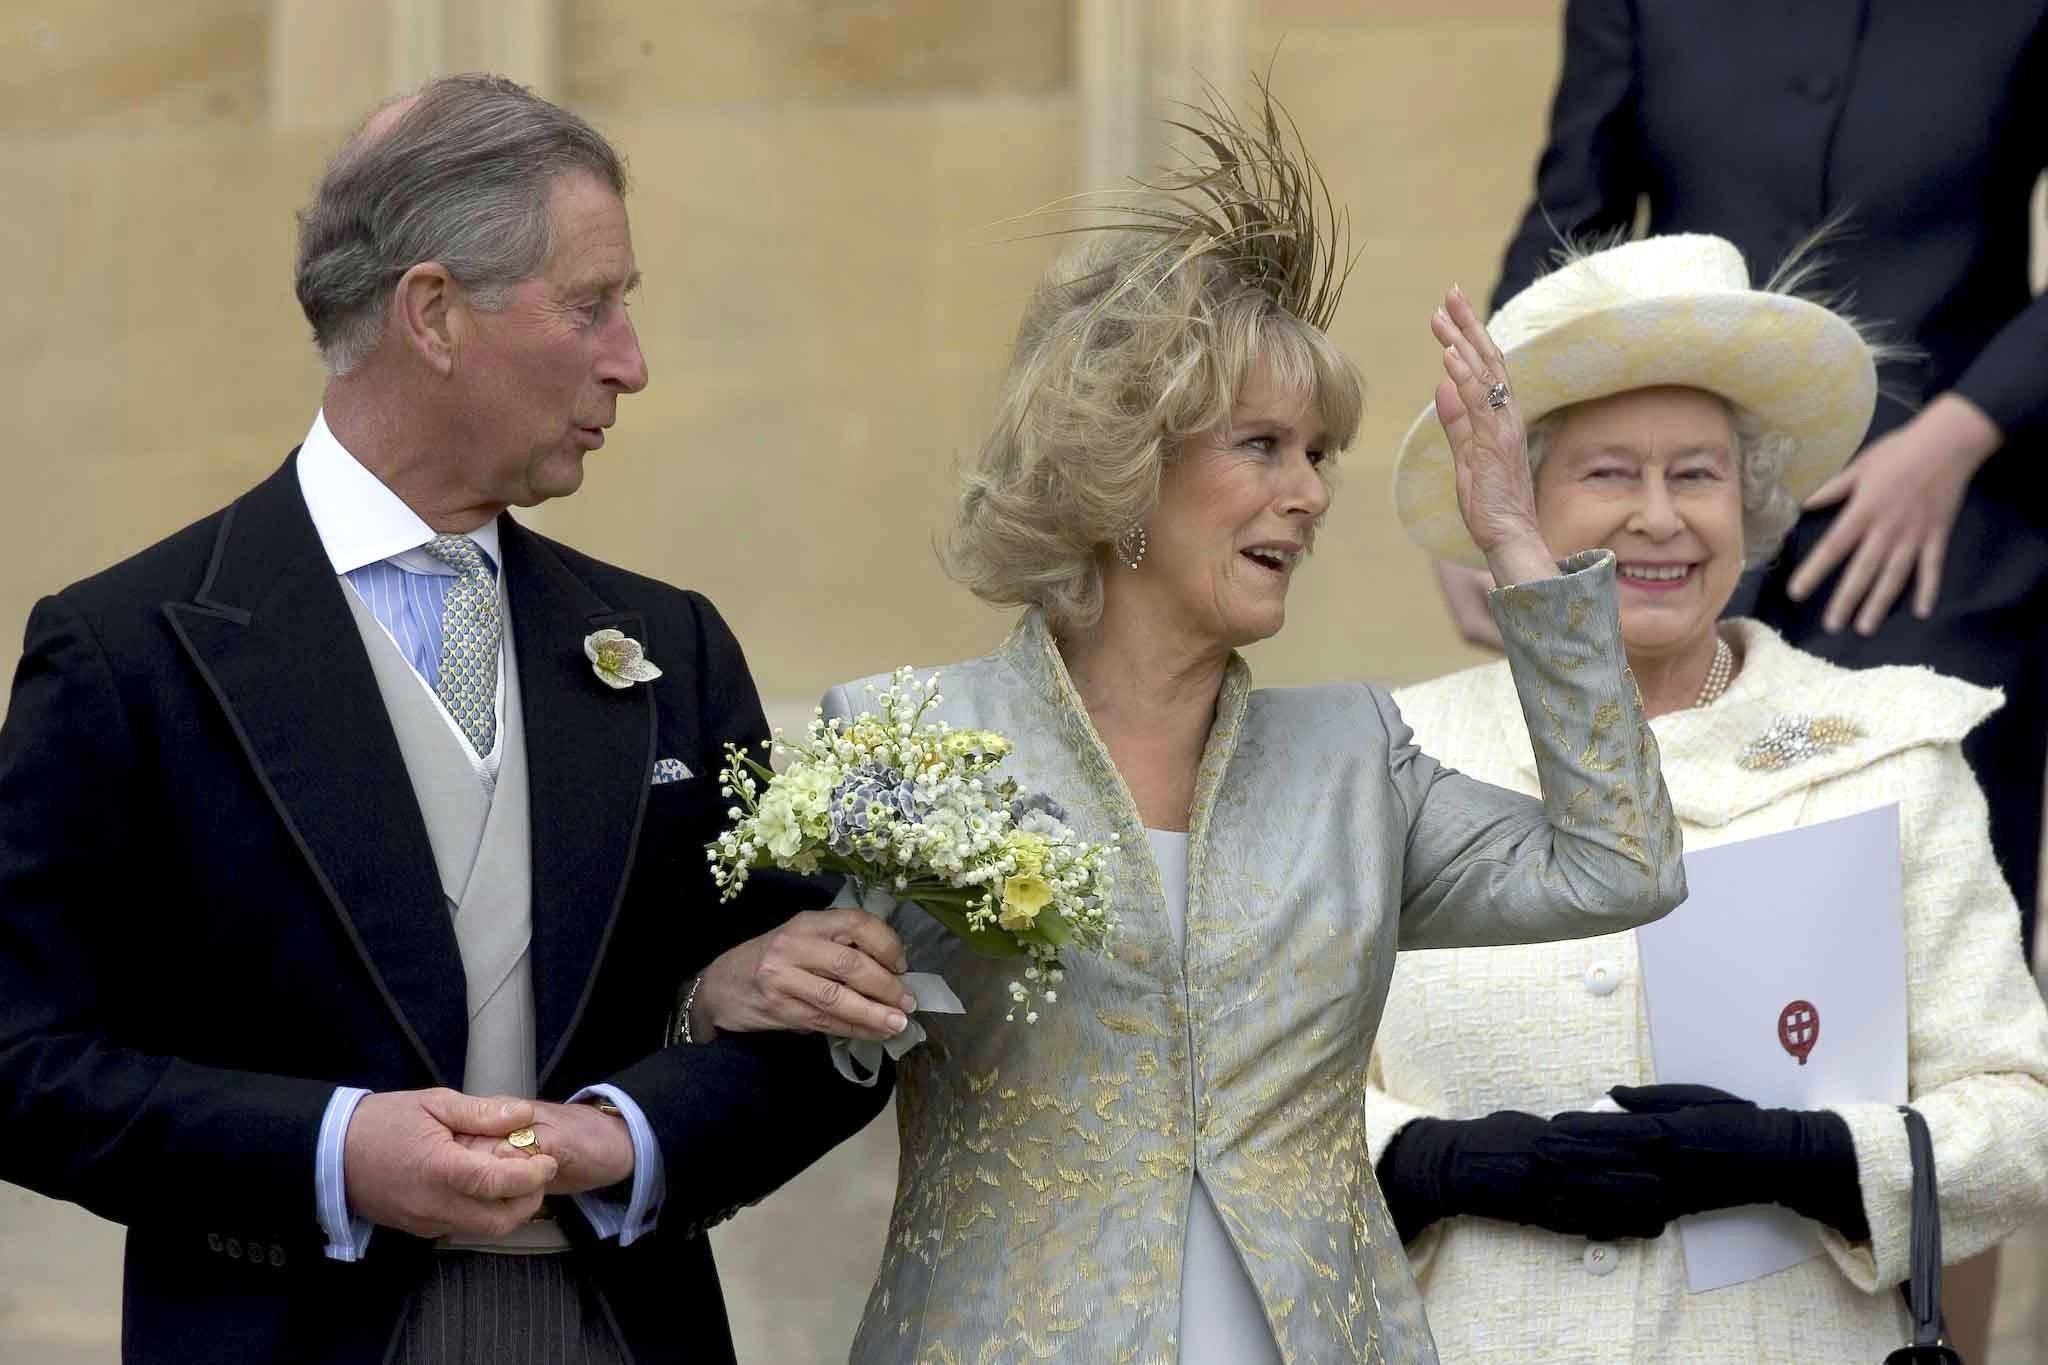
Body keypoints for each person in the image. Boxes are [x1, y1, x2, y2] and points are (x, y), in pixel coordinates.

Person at [691, 88, 1687, 1362]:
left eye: (1319, 453)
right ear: (1122, 468)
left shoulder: (1352, 760)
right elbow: (761, 1046)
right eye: (1263, 445)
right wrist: (727, 991)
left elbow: (1623, 863)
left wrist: (1514, 544)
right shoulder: (903, 738)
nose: (1308, 494)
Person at [0, 75, 892, 1364]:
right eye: (592, 305)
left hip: (618, 1328)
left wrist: (628, 1135)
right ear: (433, 313)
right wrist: (332, 1151)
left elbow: (815, 1025)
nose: (629, 362)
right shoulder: (128, 650)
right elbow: (23, 1058)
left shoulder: (671, 646)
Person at [1371, 232, 2048, 1362]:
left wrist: (1814, 1158)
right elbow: (1265, 1096)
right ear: (1520, 503)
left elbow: (2019, 1115)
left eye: (1695, 473)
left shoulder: (1886, 754)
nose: (1657, 517)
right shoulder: (1396, 758)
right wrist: (1430, 1163)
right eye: (1606, 473)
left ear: (1750, 504)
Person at [1438, 0, 2048, 959]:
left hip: (1941, 536)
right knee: (1647, 929)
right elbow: (1572, 220)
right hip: (1671, 518)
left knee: (1923, 937)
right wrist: (1484, 480)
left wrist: (1961, 435)